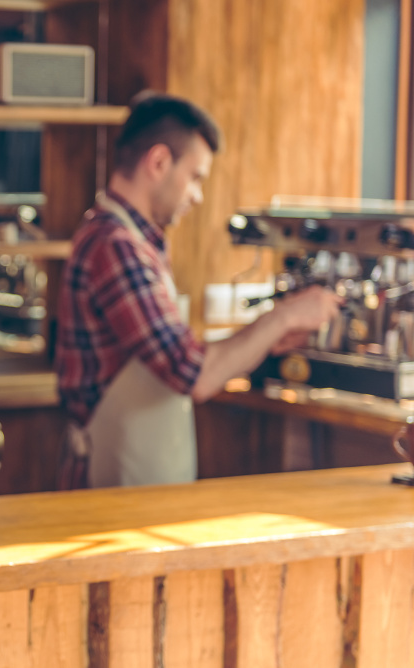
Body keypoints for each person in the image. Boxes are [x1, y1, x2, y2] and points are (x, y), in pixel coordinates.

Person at [54, 91, 341, 489]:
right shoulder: (116, 246)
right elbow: (194, 374)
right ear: (158, 162)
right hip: (112, 488)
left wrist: (264, 342)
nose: (197, 195)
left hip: (137, 484)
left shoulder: (137, 241)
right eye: (195, 177)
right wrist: (285, 316)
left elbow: (176, 352)